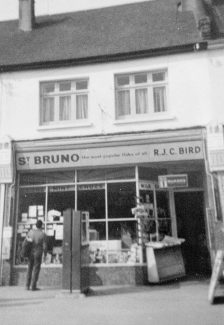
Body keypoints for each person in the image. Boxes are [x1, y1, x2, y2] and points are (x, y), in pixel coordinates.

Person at [25, 220, 47, 291]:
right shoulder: (42, 234)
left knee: (29, 268)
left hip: (30, 253)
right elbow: (45, 246)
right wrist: (45, 254)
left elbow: (26, 241)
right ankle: (33, 286)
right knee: (36, 269)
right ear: (41, 226)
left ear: (36, 225)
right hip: (38, 253)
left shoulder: (30, 232)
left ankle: (27, 286)